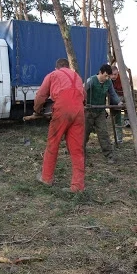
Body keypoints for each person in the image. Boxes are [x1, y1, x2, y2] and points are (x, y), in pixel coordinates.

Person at [34, 58, 86, 193]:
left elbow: (41, 95)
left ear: (57, 67)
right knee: (77, 149)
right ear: (68, 67)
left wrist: (37, 110)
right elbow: (83, 96)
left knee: (53, 143)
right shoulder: (77, 77)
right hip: (79, 112)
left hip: (62, 110)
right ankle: (77, 186)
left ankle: (46, 178)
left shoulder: (53, 75)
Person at [85, 64, 122, 163]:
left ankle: (109, 155)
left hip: (100, 111)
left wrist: (118, 102)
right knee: (84, 133)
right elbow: (81, 92)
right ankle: (80, 152)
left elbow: (113, 94)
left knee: (103, 133)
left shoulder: (108, 82)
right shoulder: (91, 80)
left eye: (108, 76)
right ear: (100, 72)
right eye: (105, 75)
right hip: (88, 111)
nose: (107, 78)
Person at [110, 65, 124, 144]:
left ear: (118, 73)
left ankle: (119, 139)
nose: (113, 76)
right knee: (114, 120)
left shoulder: (122, 79)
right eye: (111, 74)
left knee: (118, 119)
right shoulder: (108, 80)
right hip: (111, 101)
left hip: (120, 99)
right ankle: (116, 138)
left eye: (115, 74)